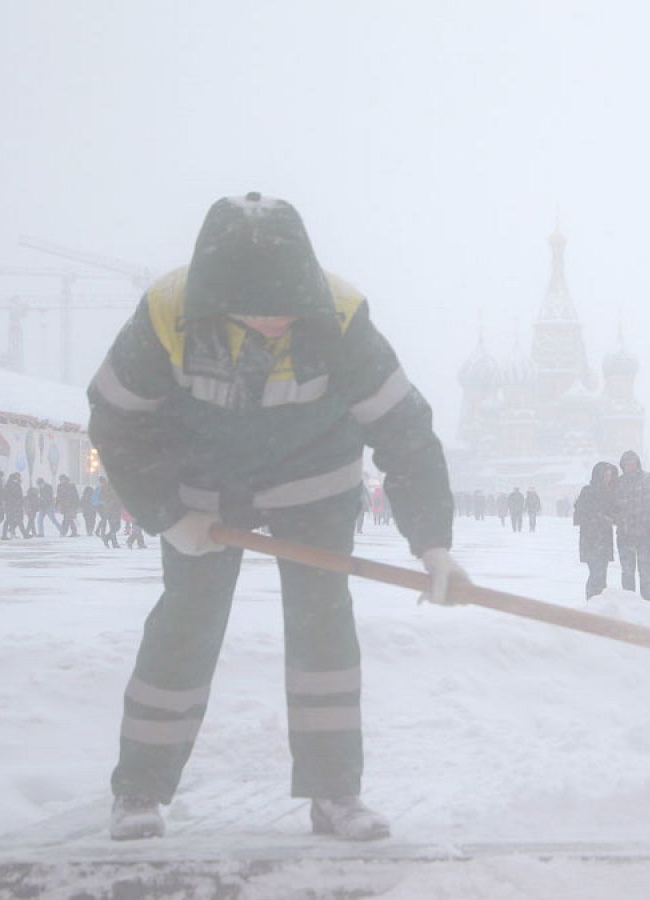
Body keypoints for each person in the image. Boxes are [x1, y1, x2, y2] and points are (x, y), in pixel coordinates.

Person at [87, 192, 463, 843]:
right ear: (218, 297)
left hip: (314, 483)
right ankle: (139, 790)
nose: (276, 322)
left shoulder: (341, 318)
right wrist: (167, 514)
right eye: (259, 312)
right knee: (186, 622)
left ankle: (335, 793)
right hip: (199, 489)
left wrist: (432, 544)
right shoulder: (167, 313)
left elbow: (405, 432)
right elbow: (117, 419)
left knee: (323, 629)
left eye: (287, 309)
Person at [612, 450, 650, 596]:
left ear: (637, 463)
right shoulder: (617, 484)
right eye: (626, 463)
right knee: (627, 572)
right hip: (625, 535)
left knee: (646, 571)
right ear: (622, 465)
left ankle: (647, 601)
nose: (629, 466)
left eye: (632, 462)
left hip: (646, 536)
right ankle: (630, 602)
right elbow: (610, 507)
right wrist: (619, 519)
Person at [573, 462, 618, 599]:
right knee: (596, 573)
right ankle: (593, 601)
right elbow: (581, 514)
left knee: (601, 574)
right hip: (591, 539)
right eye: (606, 475)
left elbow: (614, 512)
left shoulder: (610, 492)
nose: (608, 478)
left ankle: (598, 602)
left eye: (610, 475)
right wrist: (601, 517)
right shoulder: (588, 491)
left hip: (603, 540)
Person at [97, 475, 121, 548]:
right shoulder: (105, 487)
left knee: (116, 526)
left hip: (115, 509)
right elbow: (101, 498)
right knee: (114, 526)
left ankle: (107, 538)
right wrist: (109, 502)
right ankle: (114, 542)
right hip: (111, 510)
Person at [2, 474, 28, 539]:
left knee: (14, 520)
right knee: (14, 520)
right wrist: (17, 502)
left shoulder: (11, 485)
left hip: (13, 505)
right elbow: (15, 495)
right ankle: (24, 534)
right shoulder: (12, 485)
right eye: (16, 478)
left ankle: (6, 534)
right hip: (13, 505)